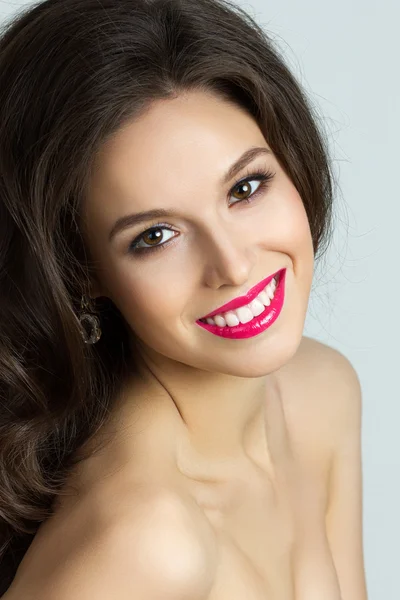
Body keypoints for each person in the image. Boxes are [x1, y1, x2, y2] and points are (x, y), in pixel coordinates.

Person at [0, 0, 368, 598]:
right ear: (82, 270)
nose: (233, 264)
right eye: (156, 236)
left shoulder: (323, 391)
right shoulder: (144, 539)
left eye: (246, 188)